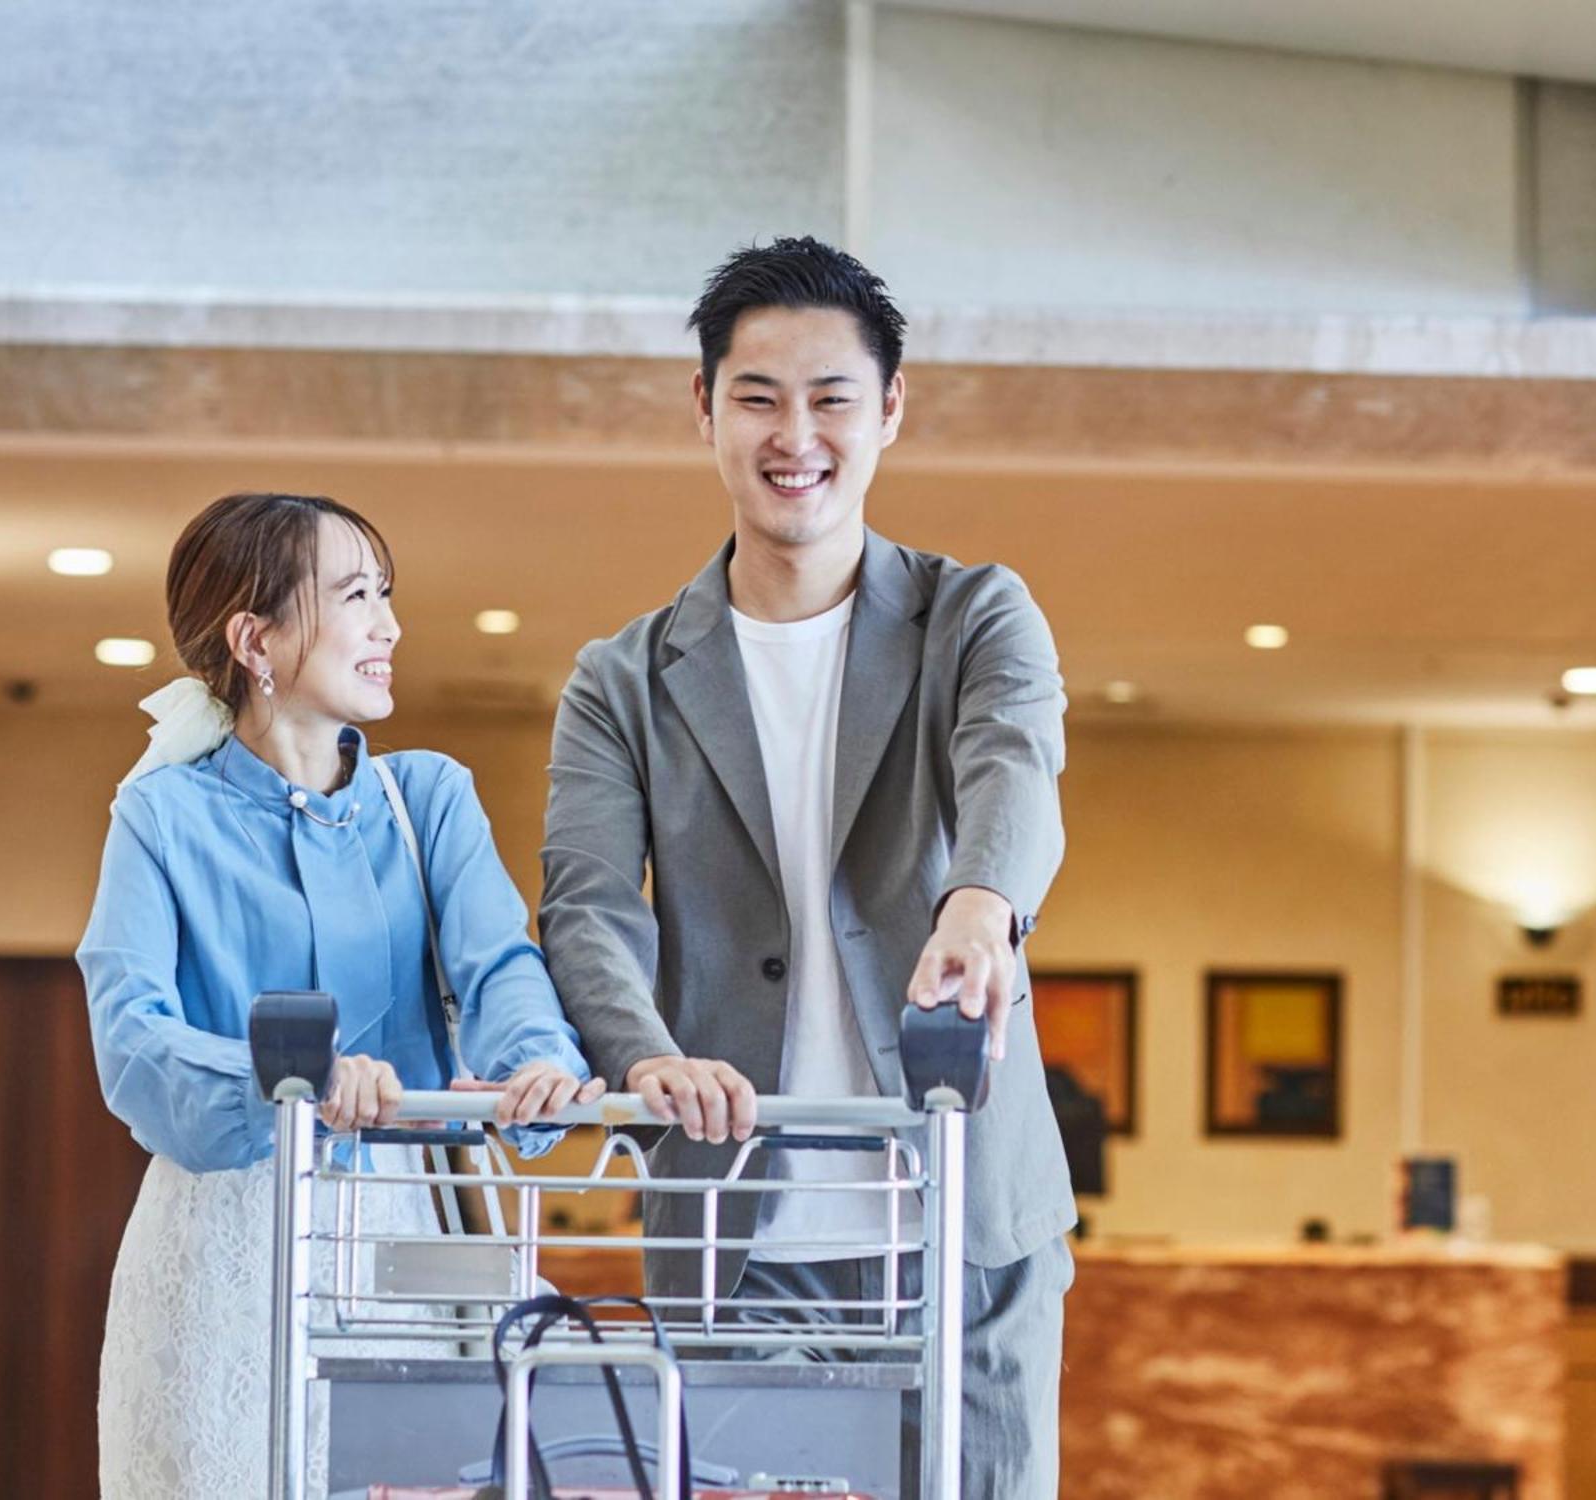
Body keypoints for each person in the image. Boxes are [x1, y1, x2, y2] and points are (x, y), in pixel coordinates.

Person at [540, 237, 1075, 1497]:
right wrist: (641, 1053)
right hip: (736, 1231)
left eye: (832, 397)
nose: (797, 435)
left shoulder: (974, 614)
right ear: (705, 410)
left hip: (963, 1224)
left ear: (890, 407)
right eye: (758, 397)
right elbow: (586, 907)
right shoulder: (619, 680)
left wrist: (981, 906)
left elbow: (1014, 768)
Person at [78, 491, 602, 1498]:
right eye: (356, 595)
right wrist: (291, 1079)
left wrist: (536, 1057)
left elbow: (500, 964)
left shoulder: (429, 797)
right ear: (255, 638)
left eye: (386, 595)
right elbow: (131, 1035)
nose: (389, 625)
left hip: (404, 1235)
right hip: (222, 1250)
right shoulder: (159, 817)